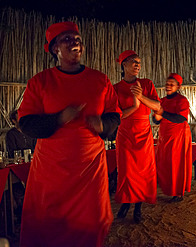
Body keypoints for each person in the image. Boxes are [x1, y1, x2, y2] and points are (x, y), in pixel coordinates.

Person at [17, 22, 121, 247]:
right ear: (55, 48)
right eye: (67, 39)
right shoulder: (41, 82)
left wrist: (102, 125)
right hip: (52, 172)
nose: (75, 44)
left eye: (77, 40)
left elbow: (115, 115)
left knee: (91, 222)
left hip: (90, 170)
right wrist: (59, 118)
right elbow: (25, 123)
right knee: (51, 226)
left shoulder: (100, 80)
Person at [114, 50, 160, 223]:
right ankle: (126, 202)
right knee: (126, 170)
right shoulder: (116, 88)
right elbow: (117, 115)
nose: (137, 65)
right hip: (125, 133)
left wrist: (141, 97)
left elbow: (156, 106)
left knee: (143, 170)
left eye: (139, 62)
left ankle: (139, 205)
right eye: (133, 61)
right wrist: (134, 106)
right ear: (123, 64)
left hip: (144, 132)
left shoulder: (146, 83)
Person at [154, 73, 192, 202]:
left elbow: (181, 118)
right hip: (165, 136)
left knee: (177, 164)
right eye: (167, 84)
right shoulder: (162, 101)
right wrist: (156, 117)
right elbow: (157, 120)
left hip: (178, 136)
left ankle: (178, 193)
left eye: (172, 84)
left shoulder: (182, 101)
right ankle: (168, 189)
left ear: (178, 86)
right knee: (164, 163)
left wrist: (162, 113)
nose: (168, 86)